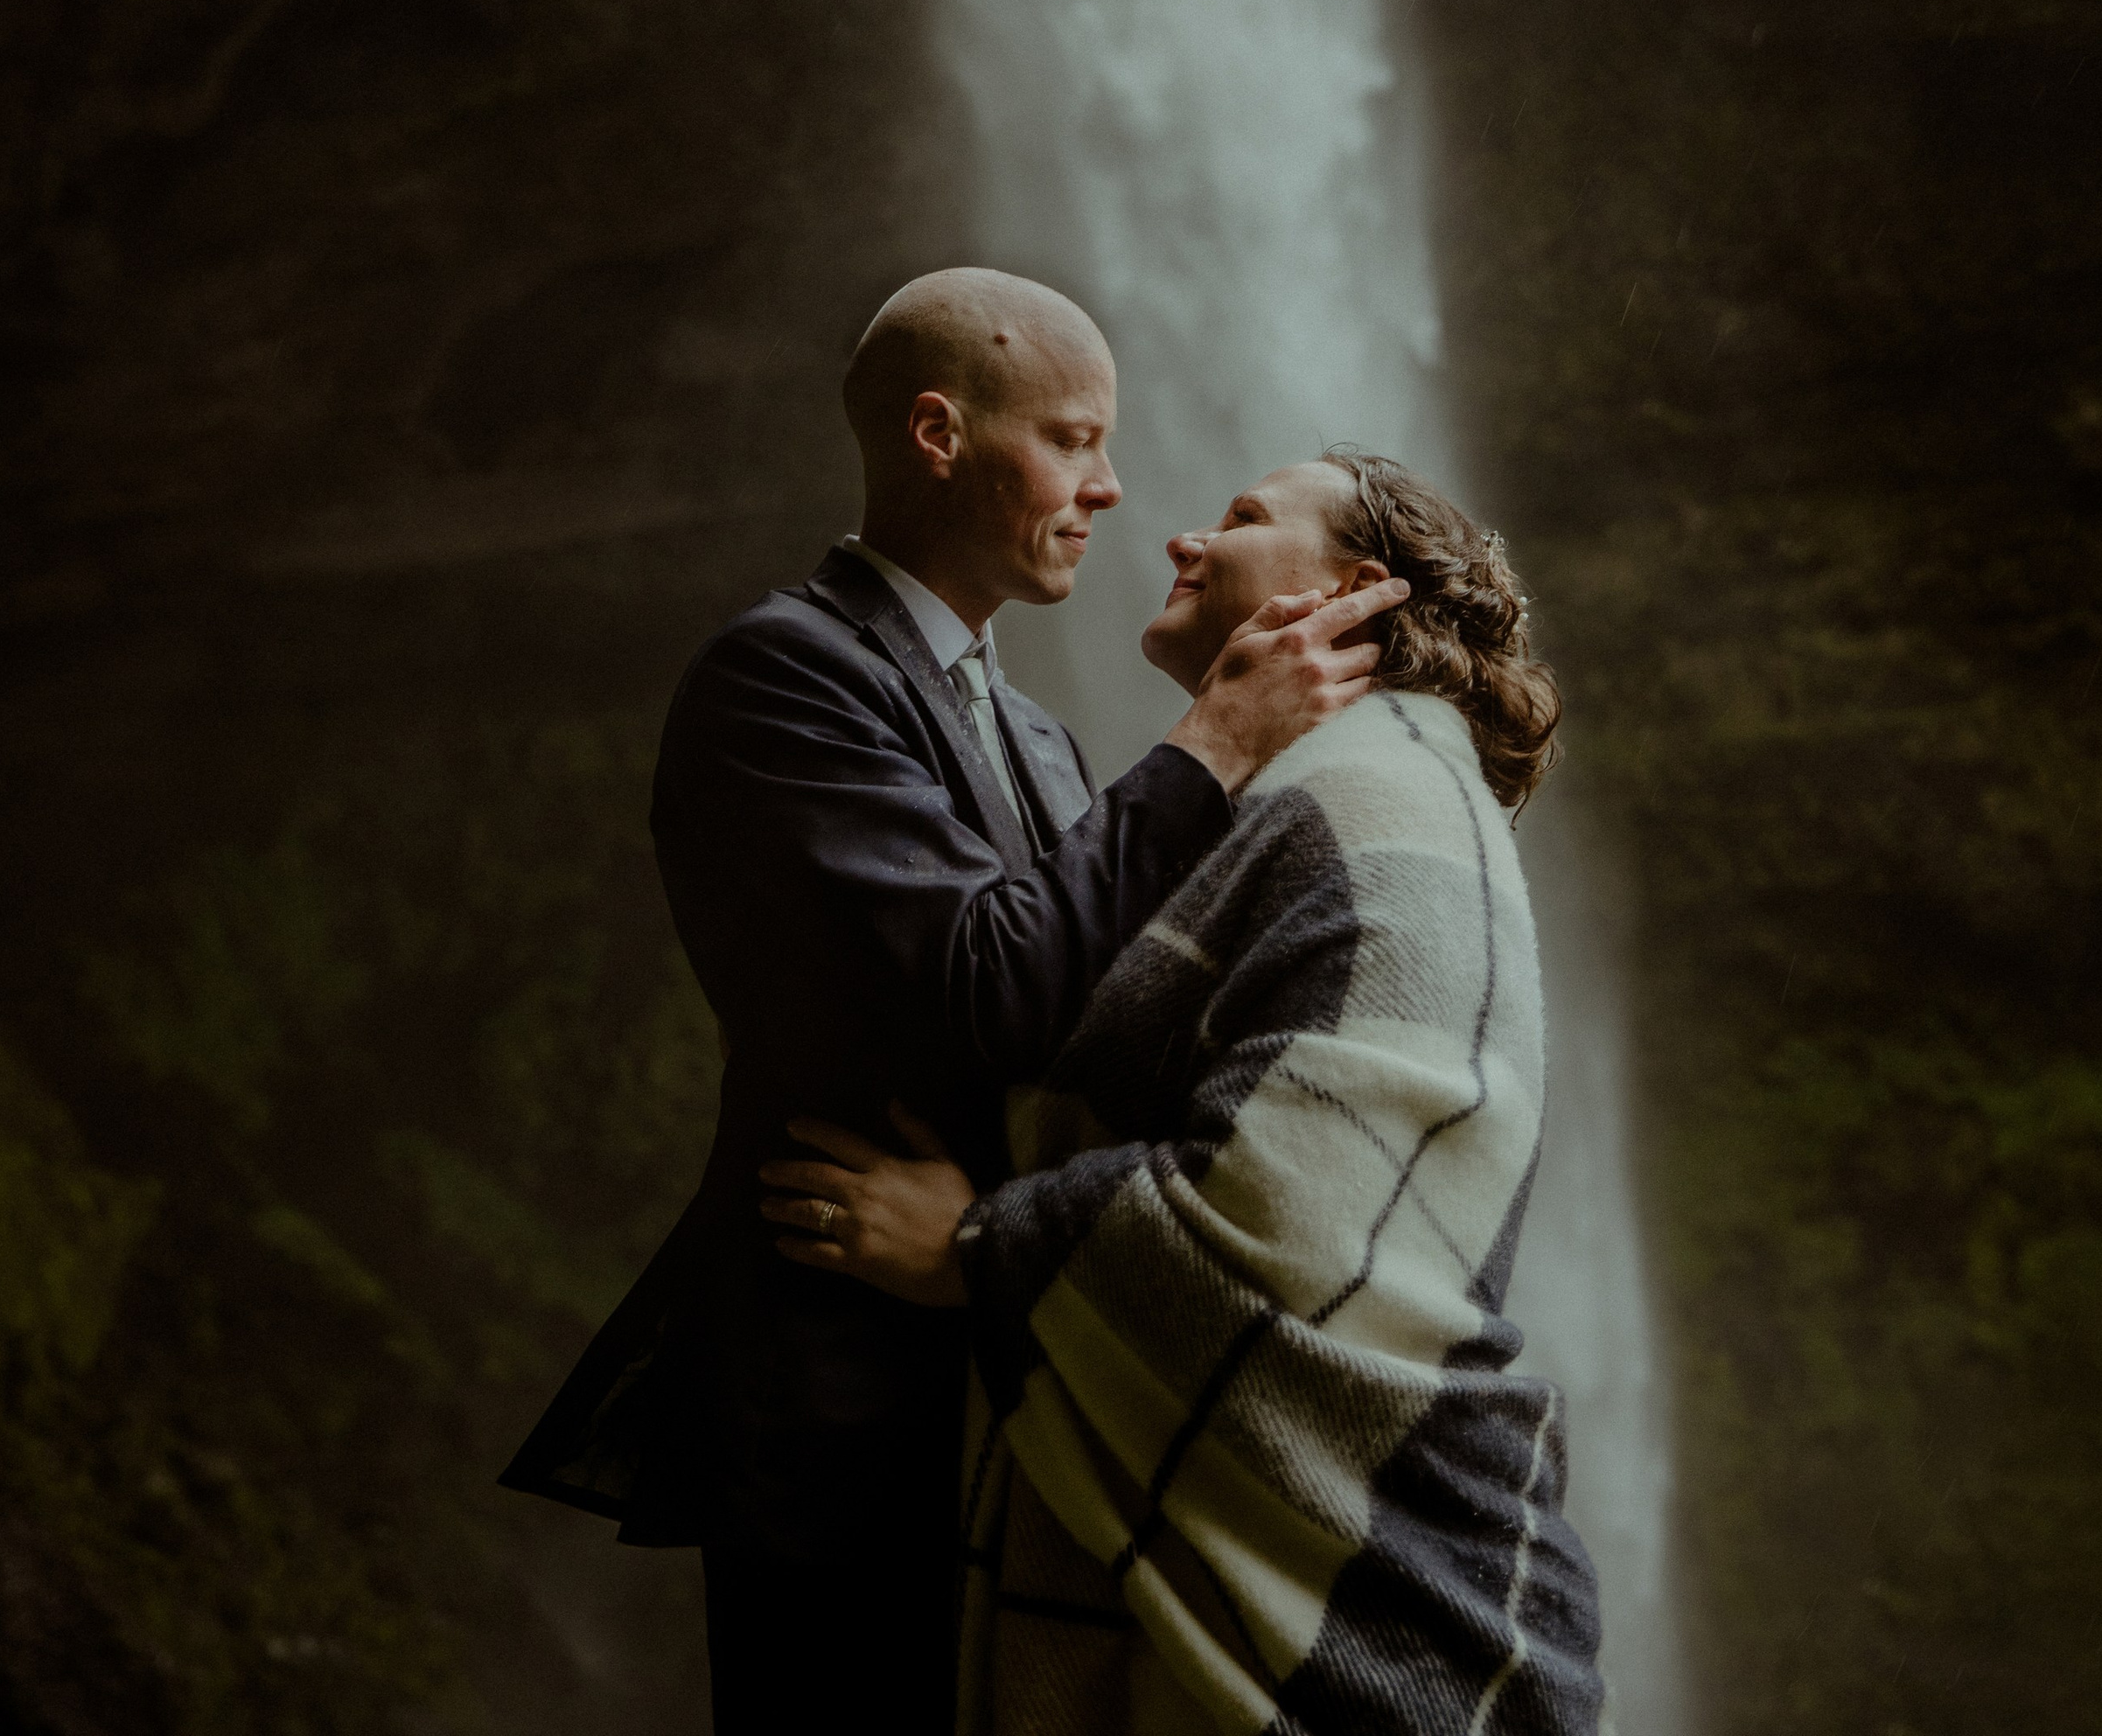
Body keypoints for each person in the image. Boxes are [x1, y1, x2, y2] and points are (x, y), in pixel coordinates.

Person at [499, 274, 1407, 1736]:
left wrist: (996, 1246)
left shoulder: (1040, 738)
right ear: (939, 435)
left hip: (1011, 1396)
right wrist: (1215, 737)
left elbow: (1104, 1034)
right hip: (842, 1423)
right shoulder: (783, 674)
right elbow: (997, 992)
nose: (1113, 489)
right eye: (1073, 439)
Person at [763, 450, 1606, 1736]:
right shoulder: (1321, 797)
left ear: (1352, 592)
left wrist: (978, 1247)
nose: (1179, 539)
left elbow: (1301, 1220)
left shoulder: (1385, 799)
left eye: (1244, 518)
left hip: (1379, 1605)